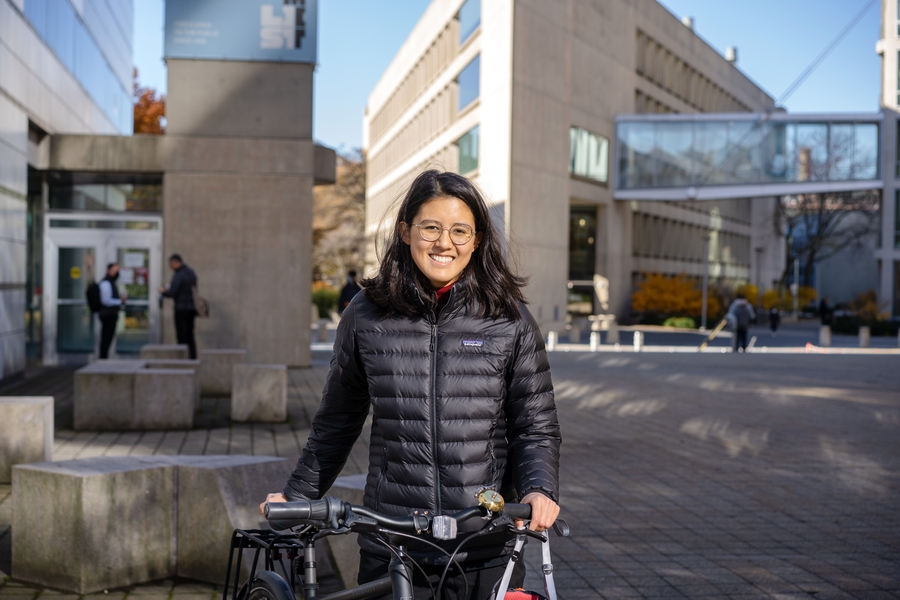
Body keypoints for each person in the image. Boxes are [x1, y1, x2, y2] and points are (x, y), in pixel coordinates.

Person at [260, 170, 561, 599]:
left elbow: (535, 426)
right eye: (431, 228)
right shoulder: (366, 314)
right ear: (405, 231)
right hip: (393, 544)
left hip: (485, 543)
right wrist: (296, 498)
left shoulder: (509, 318)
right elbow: (337, 422)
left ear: (477, 240)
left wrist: (538, 489)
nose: (445, 243)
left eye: (460, 230)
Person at [157, 254, 198, 359]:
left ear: (175, 263)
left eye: (171, 264)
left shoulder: (179, 274)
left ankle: (182, 359)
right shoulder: (191, 272)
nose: (171, 267)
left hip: (181, 308)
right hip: (191, 308)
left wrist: (163, 292)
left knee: (181, 335)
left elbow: (172, 292)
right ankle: (193, 357)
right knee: (190, 335)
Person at [98, 263, 126, 359]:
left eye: (118, 271)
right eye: (115, 270)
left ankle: (104, 357)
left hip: (110, 314)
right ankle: (103, 358)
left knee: (108, 338)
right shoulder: (106, 283)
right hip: (107, 315)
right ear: (109, 270)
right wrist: (120, 301)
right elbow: (106, 300)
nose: (117, 273)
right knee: (106, 338)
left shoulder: (111, 282)